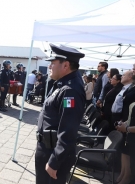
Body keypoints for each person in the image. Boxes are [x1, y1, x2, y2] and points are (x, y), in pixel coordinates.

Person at [35, 43, 85, 184]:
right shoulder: (63, 84)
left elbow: (68, 129)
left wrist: (54, 161)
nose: (50, 66)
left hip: (53, 152)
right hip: (48, 148)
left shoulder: (70, 90)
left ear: (65, 65)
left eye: (53, 63)